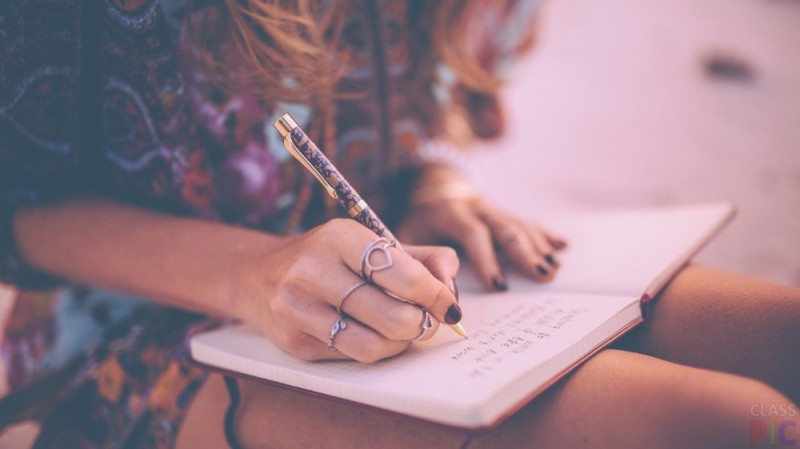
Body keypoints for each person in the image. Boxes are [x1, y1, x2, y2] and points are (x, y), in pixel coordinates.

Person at [0, 1, 797, 448]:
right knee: (721, 425)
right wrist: (252, 271)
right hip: (138, 329)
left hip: (393, 261)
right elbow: (21, 214)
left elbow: (435, 107)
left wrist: (434, 181)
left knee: (779, 347)